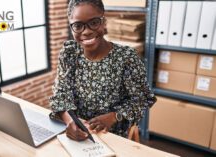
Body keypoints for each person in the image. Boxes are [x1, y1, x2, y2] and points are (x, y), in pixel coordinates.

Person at [49, 0, 156, 141]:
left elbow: (142, 99)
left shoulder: (126, 57)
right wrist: (70, 121)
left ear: (104, 22)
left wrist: (113, 116)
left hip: (111, 134)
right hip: (75, 132)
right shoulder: (69, 52)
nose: (86, 31)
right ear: (71, 27)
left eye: (94, 23)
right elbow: (61, 93)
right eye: (78, 25)